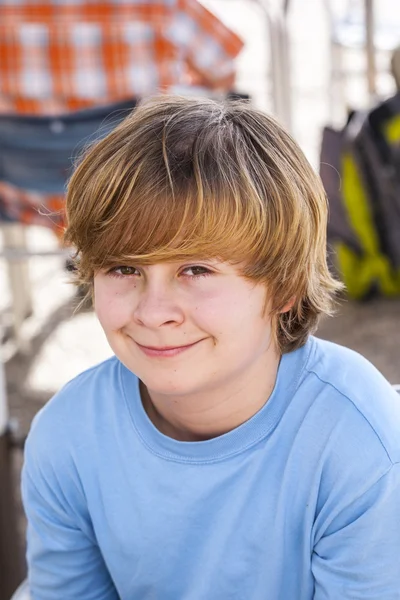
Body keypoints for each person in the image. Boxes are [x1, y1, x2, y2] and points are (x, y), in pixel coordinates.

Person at [22, 95, 400, 599]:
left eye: (195, 270)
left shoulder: (356, 441)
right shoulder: (67, 436)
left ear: (284, 286)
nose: (154, 312)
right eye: (124, 269)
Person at [0, 0, 243, 230]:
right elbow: (223, 71)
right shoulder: (162, 5)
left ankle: (71, 233)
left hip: (18, 185)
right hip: (125, 180)